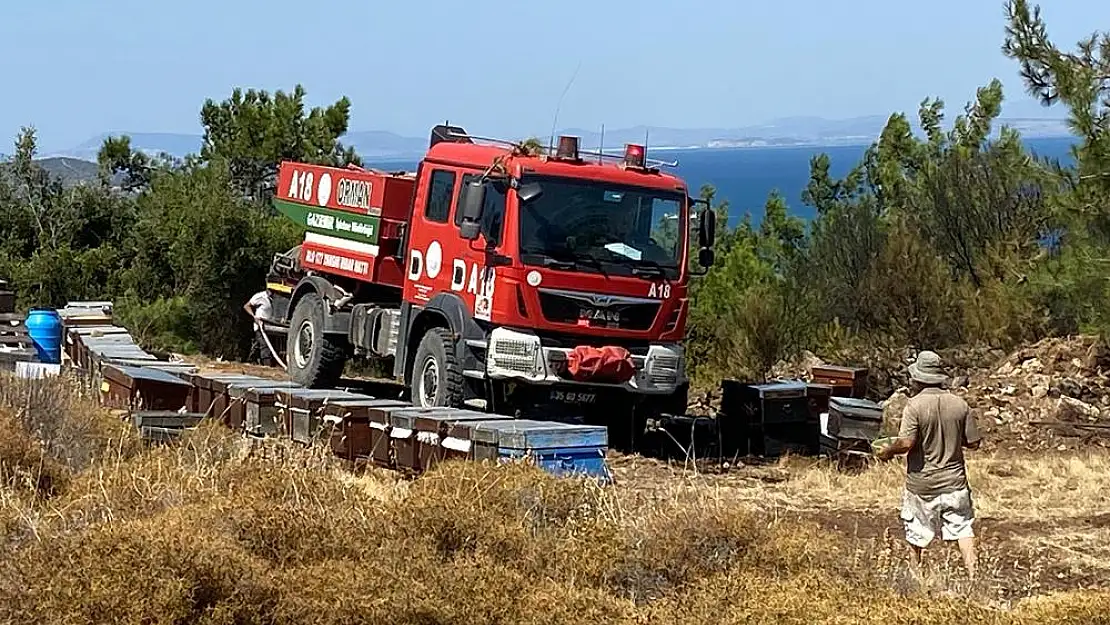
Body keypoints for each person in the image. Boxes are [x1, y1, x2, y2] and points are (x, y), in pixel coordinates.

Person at [876, 350, 982, 580]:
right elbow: (974, 443)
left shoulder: (914, 406)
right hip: (955, 483)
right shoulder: (960, 404)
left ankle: (918, 578)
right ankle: (975, 576)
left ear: (918, 379)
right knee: (964, 530)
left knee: (917, 534)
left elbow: (906, 443)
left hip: (922, 484)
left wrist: (887, 450)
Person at [243, 289, 275, 367]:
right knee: (264, 345)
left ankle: (251, 360)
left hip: (270, 327)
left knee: (258, 345)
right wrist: (254, 317)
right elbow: (246, 306)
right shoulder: (260, 296)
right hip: (260, 326)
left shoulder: (276, 299)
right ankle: (267, 365)